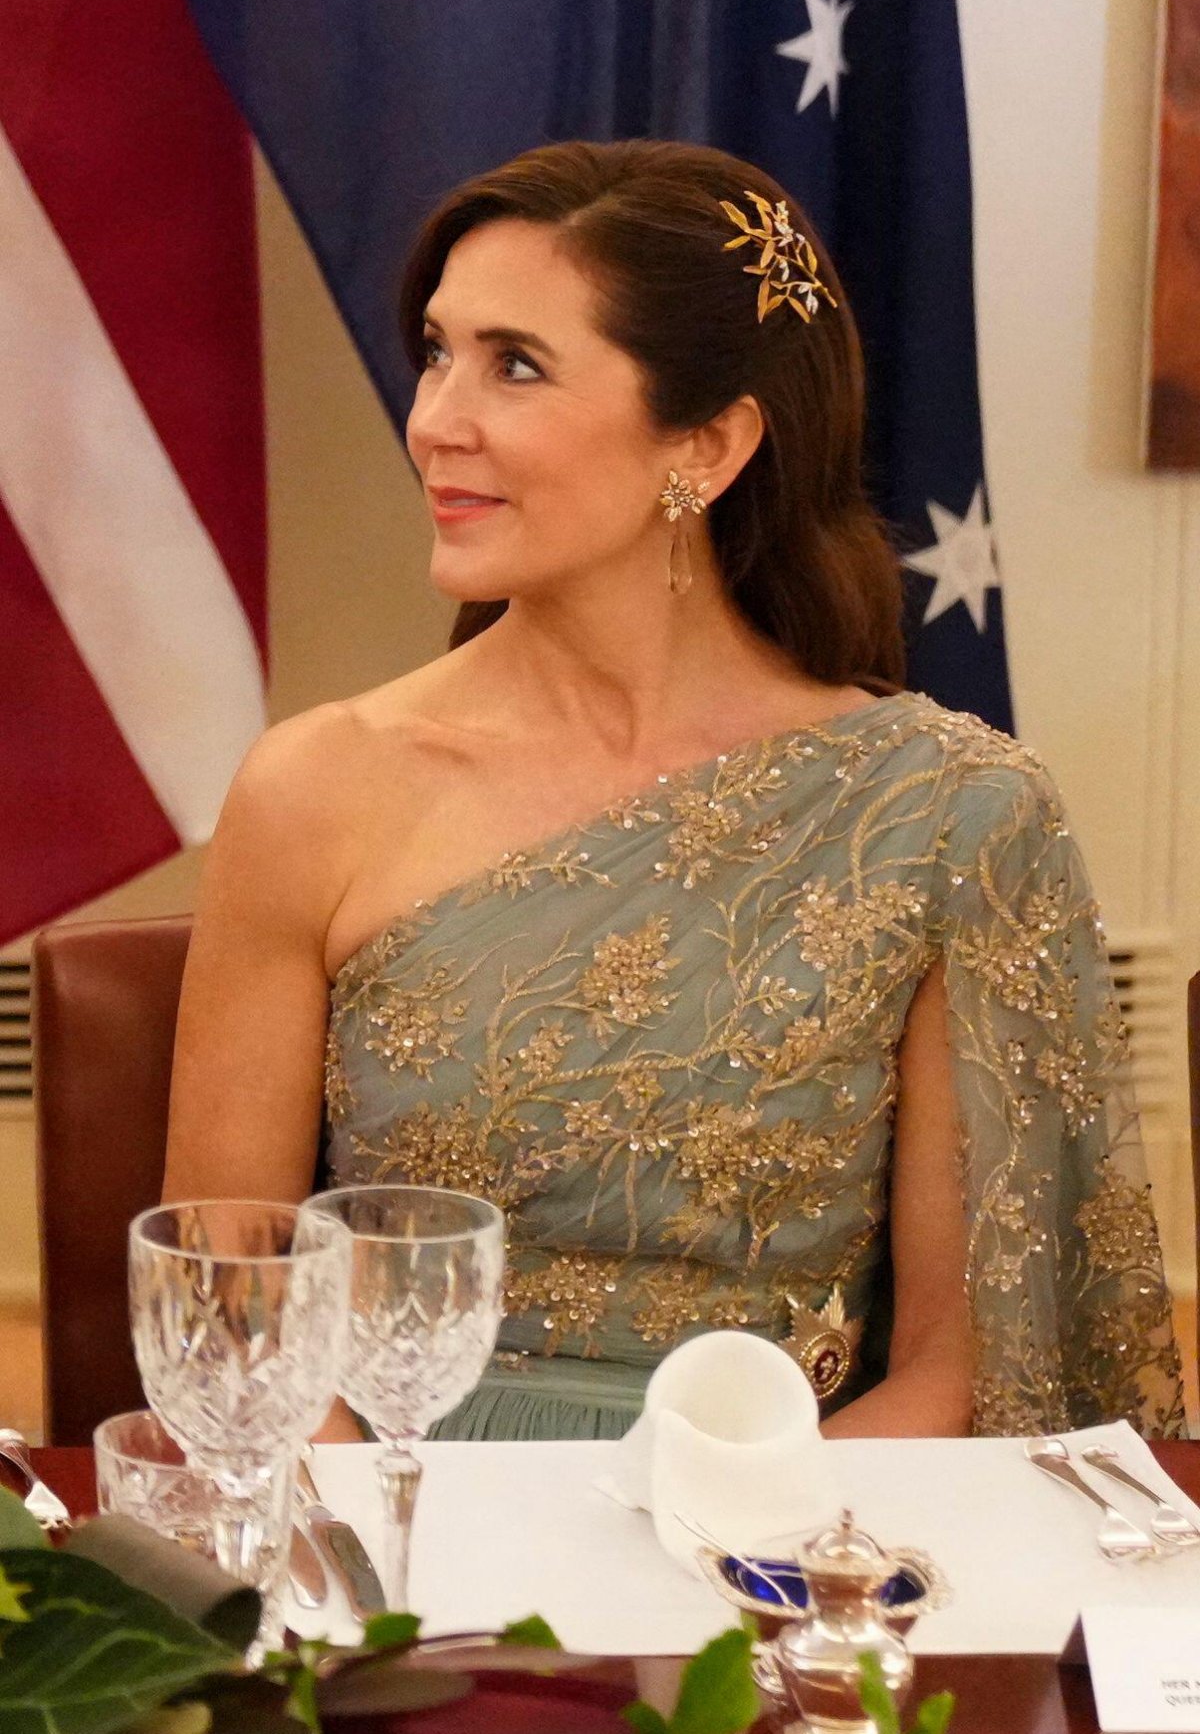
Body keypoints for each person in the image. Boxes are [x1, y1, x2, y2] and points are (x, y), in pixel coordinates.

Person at [163, 138, 1184, 1443]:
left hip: (779, 1547)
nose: (435, 418)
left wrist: (702, 1545)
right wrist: (403, 1580)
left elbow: (958, 1372)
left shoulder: (952, 813)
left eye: (514, 365)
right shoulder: (315, 786)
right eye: (437, 351)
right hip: (397, 1549)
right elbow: (230, 1305)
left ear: (706, 443)